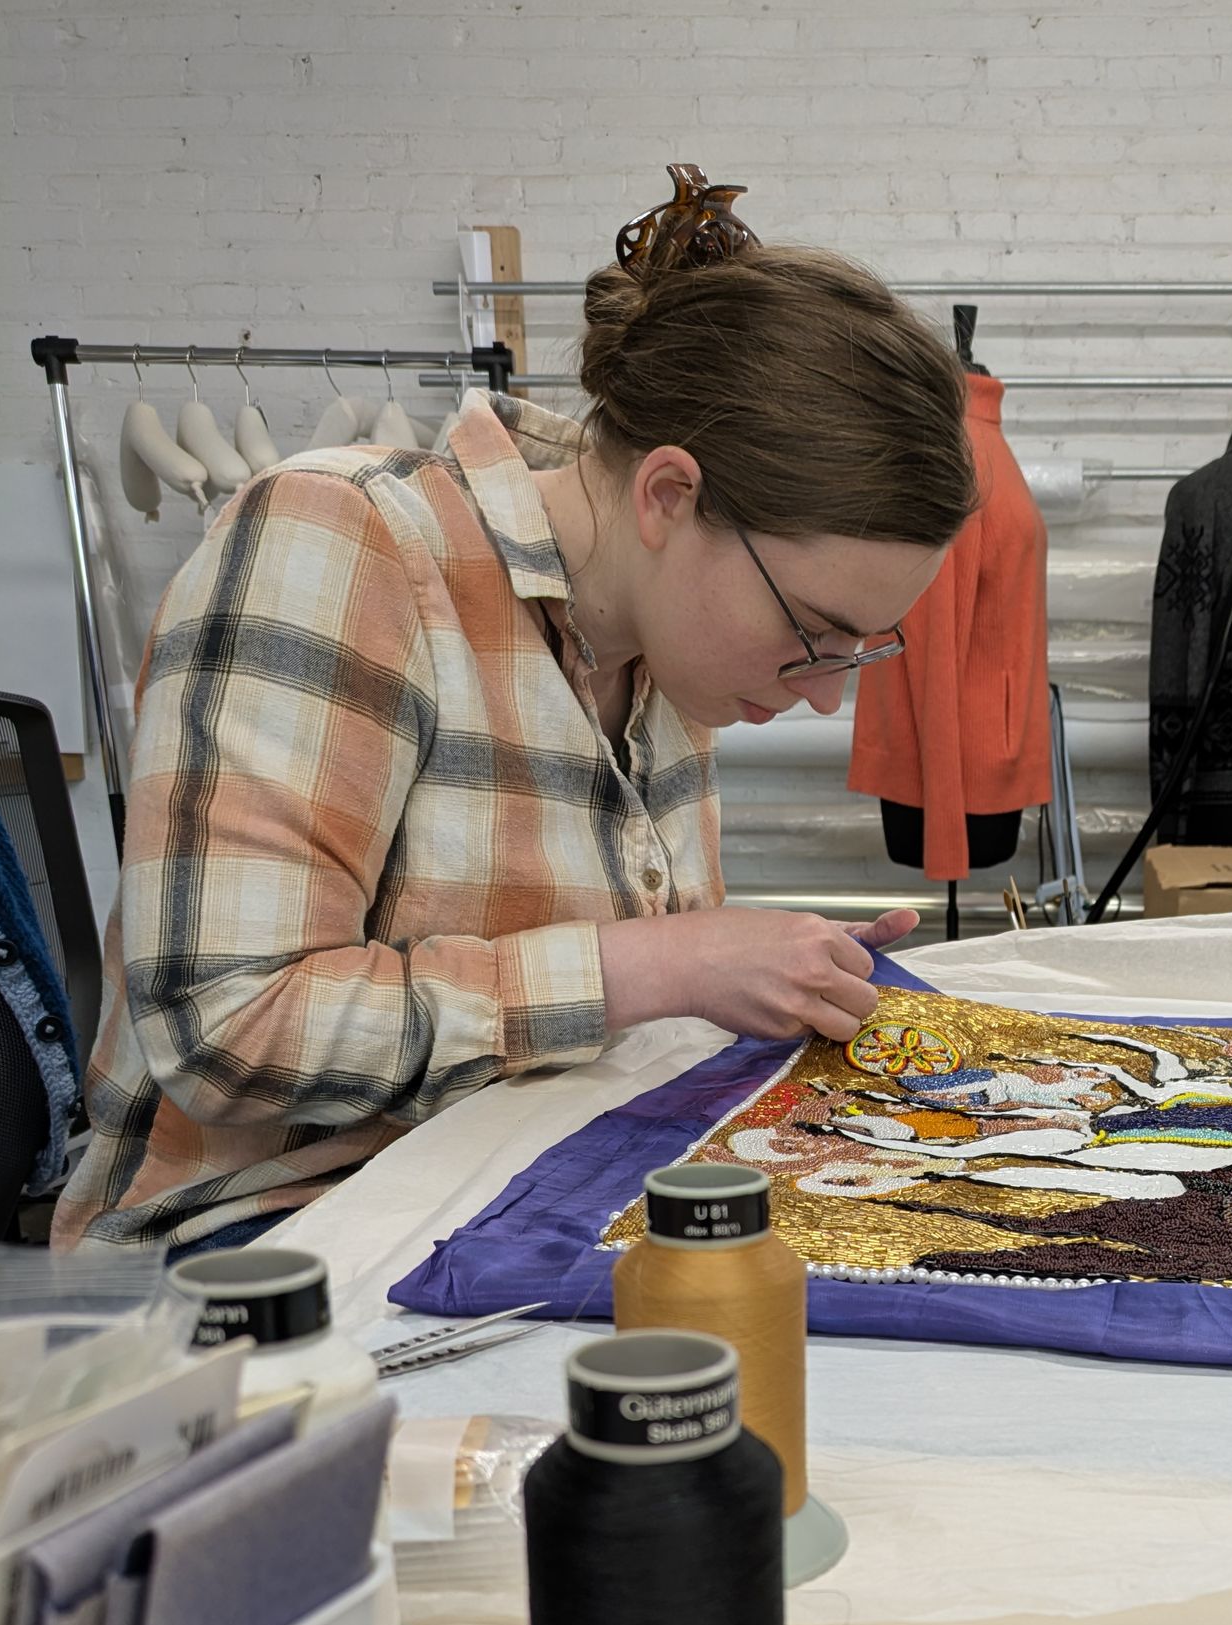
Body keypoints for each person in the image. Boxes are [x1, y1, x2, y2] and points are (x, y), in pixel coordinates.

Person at [55, 229, 976, 1251]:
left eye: (858, 647)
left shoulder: (661, 648)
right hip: (270, 1242)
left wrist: (761, 976)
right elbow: (224, 1022)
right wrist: (659, 965)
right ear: (669, 496)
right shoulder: (341, 540)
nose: (824, 700)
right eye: (812, 633)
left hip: (528, 1189)